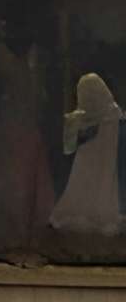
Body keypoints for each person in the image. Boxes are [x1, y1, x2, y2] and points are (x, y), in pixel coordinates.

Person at [49, 72, 125, 241]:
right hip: (87, 168)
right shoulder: (82, 120)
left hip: (104, 168)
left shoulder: (114, 117)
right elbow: (68, 147)